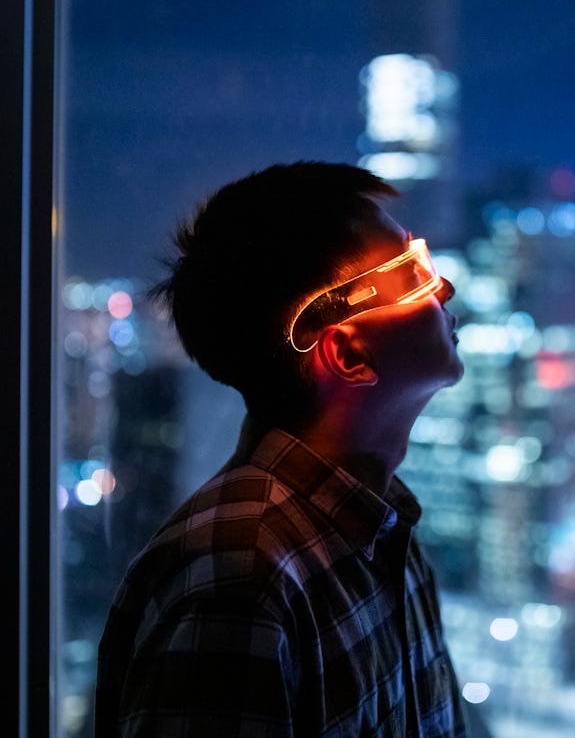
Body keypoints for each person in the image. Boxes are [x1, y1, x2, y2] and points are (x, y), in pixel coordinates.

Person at [95, 161, 470, 737]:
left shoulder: (384, 535)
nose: (443, 287)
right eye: (411, 273)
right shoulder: (240, 581)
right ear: (346, 353)